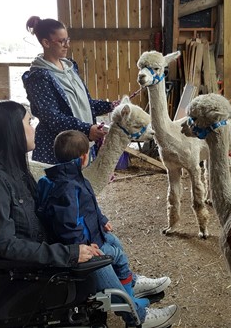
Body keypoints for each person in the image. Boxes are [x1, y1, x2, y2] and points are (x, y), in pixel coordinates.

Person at [0, 101, 178, 328]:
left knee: (103, 238)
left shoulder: (15, 171)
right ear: (11, 131)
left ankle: (128, 281)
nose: (33, 128)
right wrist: (69, 251)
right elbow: (6, 244)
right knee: (96, 256)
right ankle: (137, 316)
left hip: (47, 244)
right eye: (29, 122)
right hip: (34, 265)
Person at [37, 130, 179, 328]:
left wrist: (102, 220)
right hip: (86, 245)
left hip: (94, 234)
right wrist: (82, 246)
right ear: (84, 157)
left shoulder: (73, 178)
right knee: (118, 257)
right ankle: (135, 312)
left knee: (114, 241)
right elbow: (67, 225)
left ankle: (131, 284)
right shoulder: (66, 187)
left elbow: (89, 207)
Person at [23, 16, 114, 165]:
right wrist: (87, 128)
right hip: (58, 150)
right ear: (46, 43)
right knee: (63, 188)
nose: (67, 45)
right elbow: (53, 118)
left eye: (68, 40)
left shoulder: (70, 67)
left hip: (80, 143)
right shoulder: (39, 77)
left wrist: (110, 106)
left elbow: (84, 104)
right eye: (62, 41)